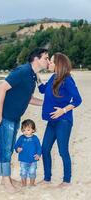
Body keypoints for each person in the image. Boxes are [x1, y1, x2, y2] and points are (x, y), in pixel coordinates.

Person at [0, 48, 49, 193]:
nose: (48, 61)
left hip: (14, 116)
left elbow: (28, 98)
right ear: (36, 59)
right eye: (46, 58)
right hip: (4, 114)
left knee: (8, 147)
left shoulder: (32, 76)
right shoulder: (23, 71)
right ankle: (6, 180)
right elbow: (2, 88)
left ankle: (6, 178)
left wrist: (46, 103)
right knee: (5, 148)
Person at [38, 52, 82, 187]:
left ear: (59, 64)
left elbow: (78, 99)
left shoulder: (67, 79)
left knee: (63, 150)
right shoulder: (53, 77)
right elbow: (42, 90)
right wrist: (36, 75)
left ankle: (66, 180)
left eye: (51, 61)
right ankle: (47, 179)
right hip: (52, 121)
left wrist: (63, 110)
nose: (49, 63)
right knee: (45, 149)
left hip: (63, 121)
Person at [15, 119, 41, 187]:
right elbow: (16, 145)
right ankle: (24, 184)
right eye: (24, 130)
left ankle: (32, 183)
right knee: (23, 172)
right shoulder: (21, 138)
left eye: (28, 130)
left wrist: (38, 154)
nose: (26, 132)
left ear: (33, 130)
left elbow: (39, 147)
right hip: (23, 160)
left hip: (33, 160)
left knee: (32, 172)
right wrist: (17, 149)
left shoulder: (35, 138)